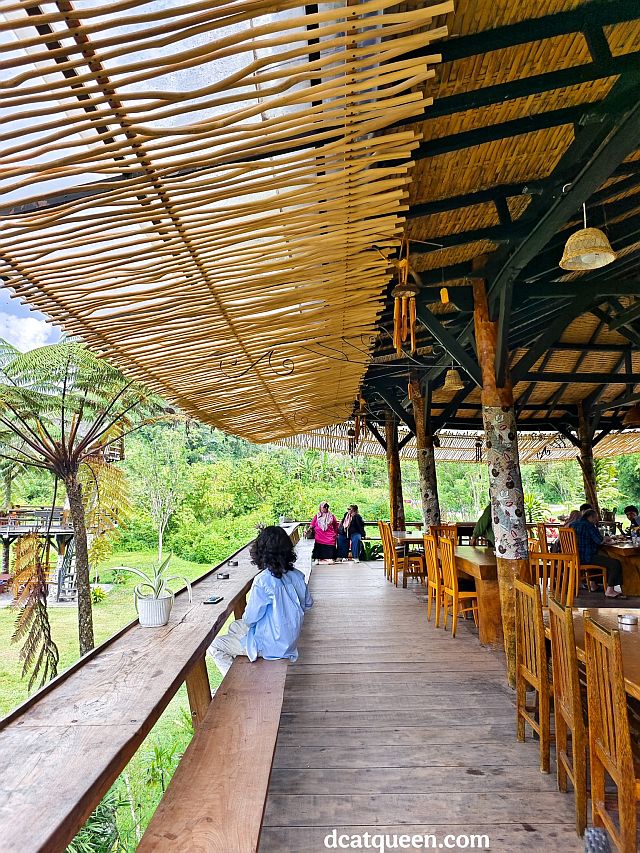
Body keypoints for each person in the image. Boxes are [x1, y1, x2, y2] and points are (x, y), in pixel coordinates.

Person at [208, 526, 313, 676]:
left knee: (215, 646)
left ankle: (237, 683)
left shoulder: (263, 580)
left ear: (261, 551)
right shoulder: (297, 576)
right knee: (234, 627)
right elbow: (308, 604)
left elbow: (251, 619)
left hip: (270, 645)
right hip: (289, 640)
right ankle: (243, 670)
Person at [572, 508, 625, 599]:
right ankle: (610, 590)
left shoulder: (573, 524)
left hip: (574, 557)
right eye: (595, 518)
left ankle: (593, 585)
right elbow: (599, 540)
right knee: (615, 563)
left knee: (599, 558)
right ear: (591, 517)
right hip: (586, 557)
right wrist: (608, 539)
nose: (596, 520)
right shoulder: (589, 526)